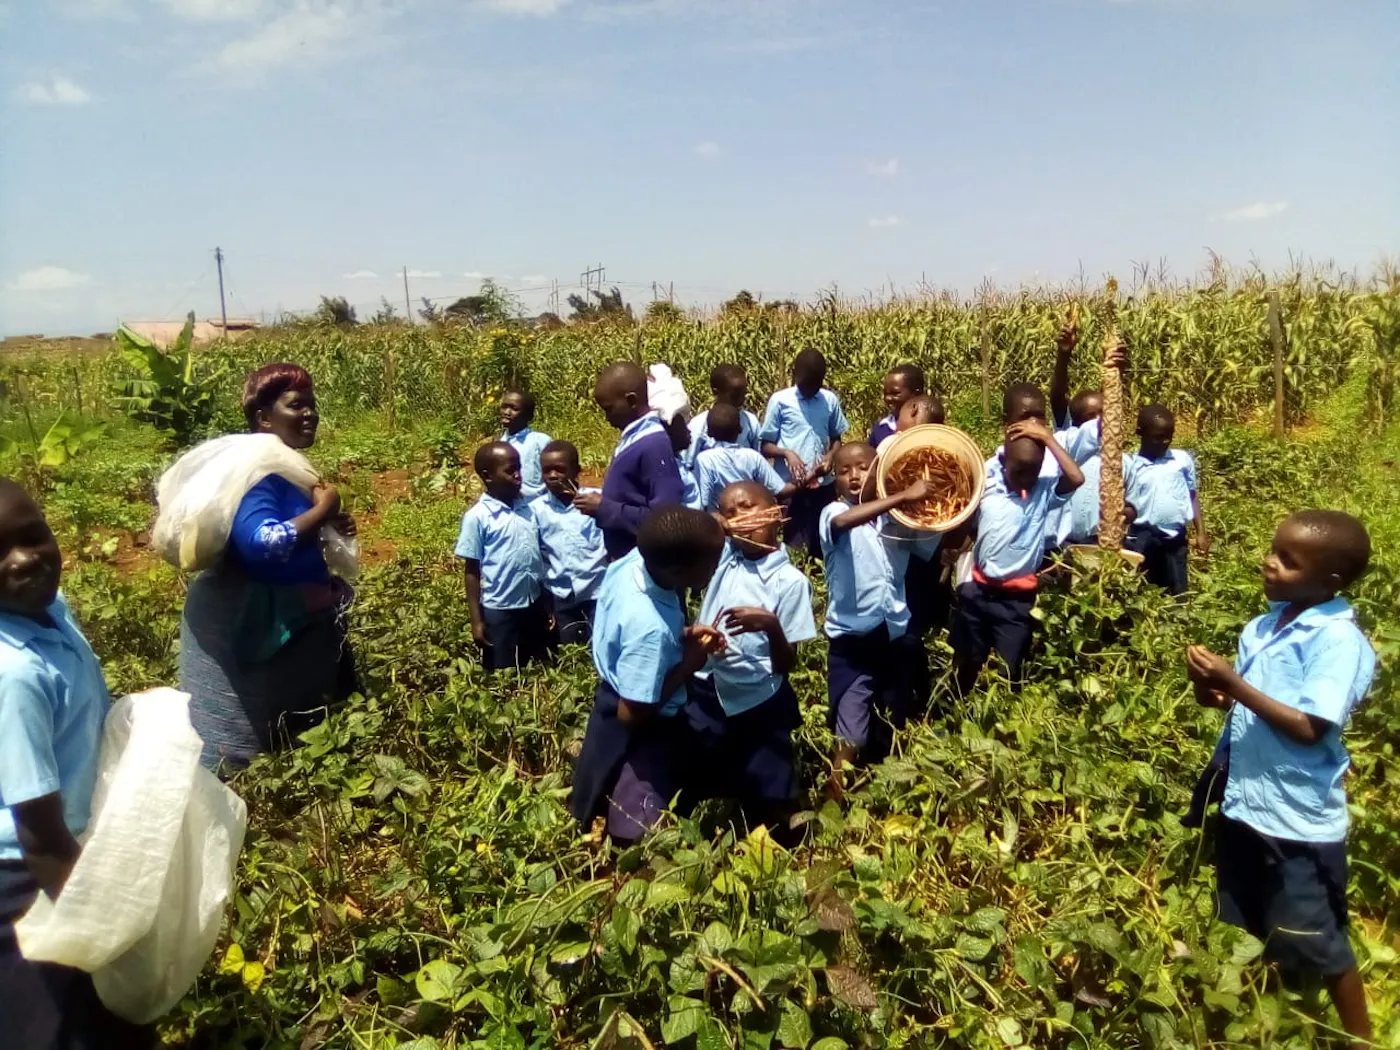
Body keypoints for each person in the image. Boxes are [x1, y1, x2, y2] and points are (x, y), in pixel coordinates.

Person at [1185, 511, 1375, 1049]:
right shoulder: (1263, 627)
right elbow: (1244, 706)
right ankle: (1246, 1016)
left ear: (1330, 580)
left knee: (1319, 937)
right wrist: (1210, 689)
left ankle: (1361, 1039)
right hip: (1246, 802)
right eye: (1274, 550)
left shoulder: (1336, 641)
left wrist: (1233, 684)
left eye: (1288, 561)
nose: (1270, 562)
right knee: (1241, 918)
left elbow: (1311, 728)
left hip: (1296, 818)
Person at [0, 479, 152, 1050]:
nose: (23, 559)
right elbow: (39, 836)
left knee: (101, 1011)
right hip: (24, 875)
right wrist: (103, 930)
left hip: (70, 844)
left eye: (32, 536)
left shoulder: (51, 611)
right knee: (54, 1023)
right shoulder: (14, 676)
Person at [182, 364, 358, 772]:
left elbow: (290, 527)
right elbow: (263, 543)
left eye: (312, 404)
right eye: (296, 405)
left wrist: (329, 523)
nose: (310, 413)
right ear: (264, 418)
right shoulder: (257, 475)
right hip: (249, 620)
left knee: (301, 741)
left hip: (289, 615)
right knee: (242, 757)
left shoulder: (285, 469)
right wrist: (323, 509)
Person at [569, 508, 727, 844]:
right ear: (679, 571)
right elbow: (631, 715)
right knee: (638, 813)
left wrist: (681, 634)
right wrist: (687, 665)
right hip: (642, 720)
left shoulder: (632, 563)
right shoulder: (650, 631)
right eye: (711, 565)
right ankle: (631, 851)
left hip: (622, 681)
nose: (715, 569)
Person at [687, 482, 817, 840]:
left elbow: (786, 664)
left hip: (758, 696)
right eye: (730, 513)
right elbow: (695, 528)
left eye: (747, 508)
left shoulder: (789, 582)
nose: (740, 519)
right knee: (703, 767)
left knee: (772, 781)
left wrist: (770, 626)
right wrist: (718, 524)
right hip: (709, 687)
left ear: (775, 513)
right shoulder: (726, 558)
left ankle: (791, 842)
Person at [819, 443, 934, 799]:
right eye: (844, 471)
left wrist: (941, 503)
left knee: (893, 716)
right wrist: (903, 496)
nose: (854, 476)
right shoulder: (834, 512)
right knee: (851, 734)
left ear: (880, 471)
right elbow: (842, 523)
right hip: (853, 644)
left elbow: (932, 544)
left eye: (863, 467)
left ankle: (883, 793)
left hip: (893, 634)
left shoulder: (896, 520)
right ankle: (833, 799)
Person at [952, 421, 1084, 695]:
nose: (1026, 479)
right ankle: (957, 707)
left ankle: (1004, 709)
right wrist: (956, 549)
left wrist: (1048, 439)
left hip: (1016, 602)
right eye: (1019, 472)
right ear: (1003, 463)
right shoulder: (986, 489)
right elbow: (973, 528)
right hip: (978, 592)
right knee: (967, 661)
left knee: (1009, 669)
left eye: (1033, 472)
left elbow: (1076, 478)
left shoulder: (1043, 492)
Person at [574, 362, 685, 560]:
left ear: (632, 401)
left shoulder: (653, 444)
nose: (607, 418)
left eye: (609, 409)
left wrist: (604, 508)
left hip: (641, 564)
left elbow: (666, 519)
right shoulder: (635, 439)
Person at [456, 442, 550, 673]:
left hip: (533, 602)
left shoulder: (528, 508)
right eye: (510, 471)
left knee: (538, 666)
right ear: (487, 476)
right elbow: (472, 570)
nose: (518, 475)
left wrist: (547, 602)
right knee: (503, 671)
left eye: (519, 468)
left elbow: (540, 557)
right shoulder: (478, 517)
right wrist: (476, 620)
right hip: (500, 608)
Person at [760, 348, 850, 559]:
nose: (809, 390)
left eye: (815, 385)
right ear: (795, 375)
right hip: (792, 486)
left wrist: (830, 457)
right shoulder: (780, 401)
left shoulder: (829, 400)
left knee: (824, 542)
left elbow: (836, 438)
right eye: (805, 384)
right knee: (794, 545)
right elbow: (766, 445)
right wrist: (787, 453)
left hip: (823, 484)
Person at [1125, 404, 1209, 594]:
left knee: (1179, 591)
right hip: (1142, 538)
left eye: (1169, 437)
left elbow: (1192, 495)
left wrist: (1201, 532)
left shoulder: (1181, 460)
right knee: (1143, 590)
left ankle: (1179, 611)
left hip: (1175, 538)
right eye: (1158, 437)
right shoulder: (1130, 465)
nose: (1164, 442)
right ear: (1140, 432)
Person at [532, 440, 608, 646]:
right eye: (547, 470)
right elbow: (538, 555)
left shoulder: (597, 501)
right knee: (569, 649)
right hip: (561, 594)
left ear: (576, 470)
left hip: (597, 591)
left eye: (560, 469)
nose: (553, 475)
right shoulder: (536, 510)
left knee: (599, 646)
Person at [694, 404, 795, 510]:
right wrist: (805, 479)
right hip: (752, 518)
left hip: (719, 519)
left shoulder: (705, 459)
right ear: (740, 429)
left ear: (709, 432)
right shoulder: (753, 457)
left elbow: (704, 502)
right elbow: (780, 491)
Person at [648, 364, 702, 510]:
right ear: (668, 431)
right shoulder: (668, 472)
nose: (688, 430)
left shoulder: (677, 464)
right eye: (682, 425)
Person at [688, 363, 763, 461]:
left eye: (744, 392)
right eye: (735, 394)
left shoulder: (750, 422)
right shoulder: (699, 425)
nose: (742, 398)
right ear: (715, 391)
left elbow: (758, 457)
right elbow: (688, 463)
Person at [499, 390, 551, 500]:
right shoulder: (500, 445)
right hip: (511, 505)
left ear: (529, 416)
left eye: (514, 409)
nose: (507, 412)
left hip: (537, 504)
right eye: (504, 407)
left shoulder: (540, 441)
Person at [868, 364, 926, 447]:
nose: (888, 398)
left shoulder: (931, 428)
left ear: (917, 393)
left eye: (895, 393)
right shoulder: (882, 430)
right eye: (885, 393)